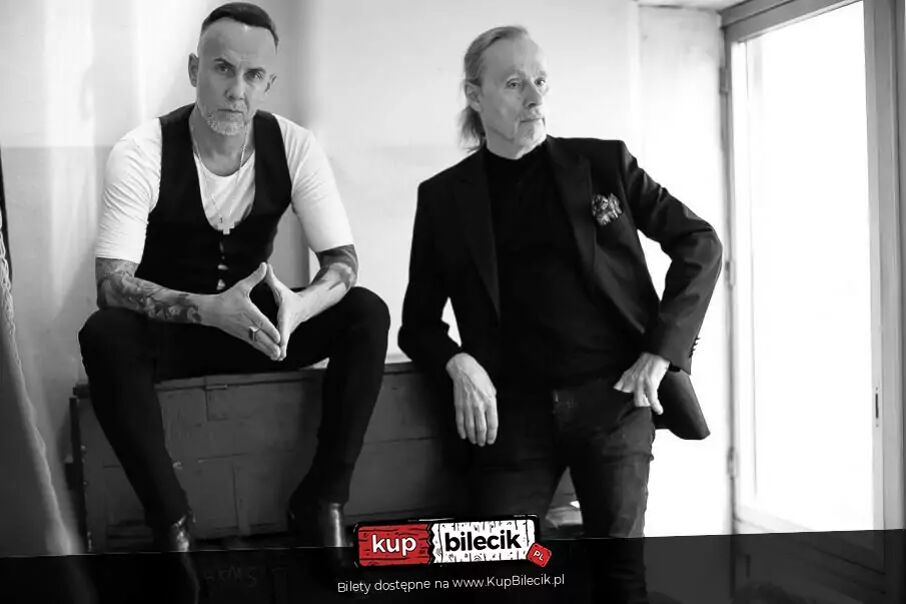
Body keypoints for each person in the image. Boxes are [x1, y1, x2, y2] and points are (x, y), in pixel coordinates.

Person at [399, 25, 722, 601]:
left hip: (614, 402)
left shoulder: (603, 164)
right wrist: (457, 363)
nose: (535, 98)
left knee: (620, 579)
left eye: (541, 81)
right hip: (511, 415)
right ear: (474, 95)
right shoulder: (444, 198)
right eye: (514, 84)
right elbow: (417, 324)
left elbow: (701, 244)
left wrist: (661, 352)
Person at [78, 2, 389, 552]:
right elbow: (111, 284)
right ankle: (172, 522)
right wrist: (207, 309)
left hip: (257, 331)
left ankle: (324, 499)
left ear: (269, 83)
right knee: (104, 334)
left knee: (366, 311)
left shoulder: (295, 146)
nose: (236, 91)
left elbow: (342, 261)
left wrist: (301, 306)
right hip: (174, 336)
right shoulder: (142, 150)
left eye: (253, 75)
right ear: (194, 70)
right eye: (223, 68)